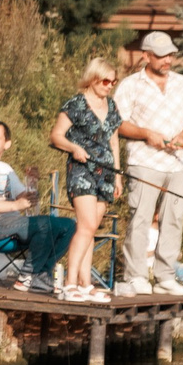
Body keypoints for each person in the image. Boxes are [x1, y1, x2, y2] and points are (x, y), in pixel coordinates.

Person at [114, 31, 183, 297]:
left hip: (177, 163)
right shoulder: (129, 85)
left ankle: (165, 276)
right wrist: (147, 134)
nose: (167, 61)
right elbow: (118, 123)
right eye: (162, 56)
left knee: (173, 219)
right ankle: (136, 276)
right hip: (144, 162)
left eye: (171, 55)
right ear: (146, 56)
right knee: (140, 218)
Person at [0, 119, 74, 288]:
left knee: (69, 225)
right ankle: (28, 275)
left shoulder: (5, 168)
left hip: (13, 225)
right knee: (44, 224)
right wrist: (15, 206)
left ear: (7, 144)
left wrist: (32, 185)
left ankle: (41, 273)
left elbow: (25, 197)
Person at [49, 58, 124, 304]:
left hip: (106, 173)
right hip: (81, 169)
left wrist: (118, 175)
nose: (109, 85)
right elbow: (56, 136)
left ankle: (85, 284)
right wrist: (73, 148)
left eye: (113, 81)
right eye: (105, 81)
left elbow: (114, 142)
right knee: (86, 225)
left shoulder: (111, 106)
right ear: (93, 78)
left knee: (92, 228)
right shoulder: (76, 104)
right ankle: (69, 283)